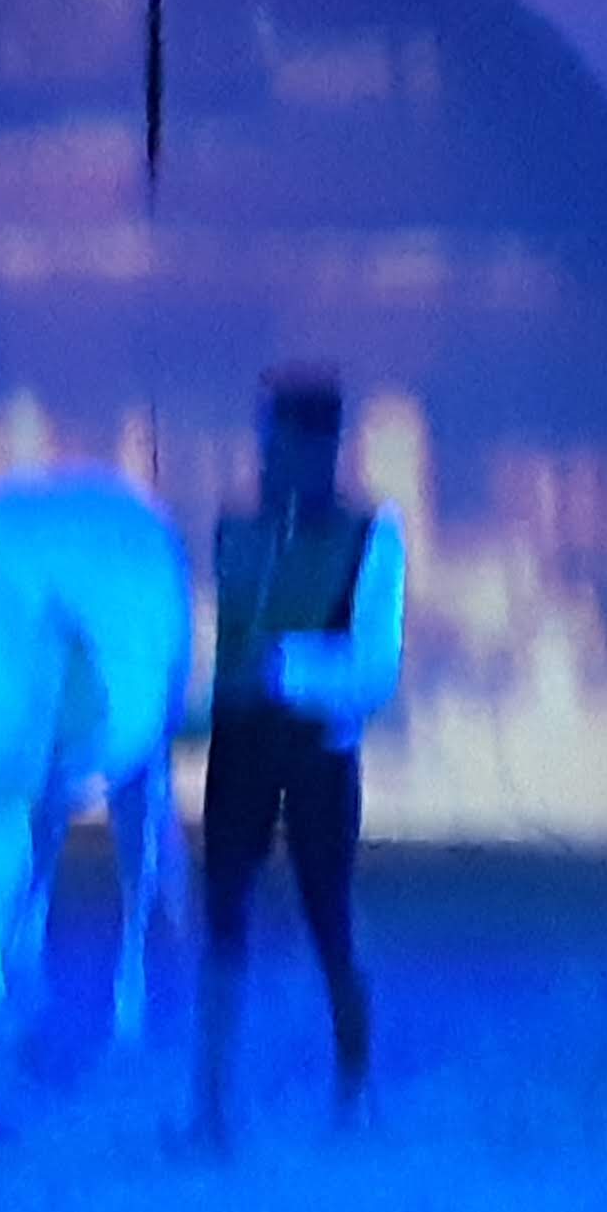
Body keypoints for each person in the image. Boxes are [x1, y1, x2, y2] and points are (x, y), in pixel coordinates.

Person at [186, 367, 404, 1151]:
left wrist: (282, 671)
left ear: (323, 450)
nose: (269, 461)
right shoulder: (236, 530)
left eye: (283, 446)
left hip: (317, 753)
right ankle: (210, 1106)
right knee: (222, 914)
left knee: (328, 915)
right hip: (240, 746)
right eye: (266, 445)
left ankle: (355, 1081)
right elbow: (218, 642)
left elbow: (375, 669)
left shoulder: (371, 536)